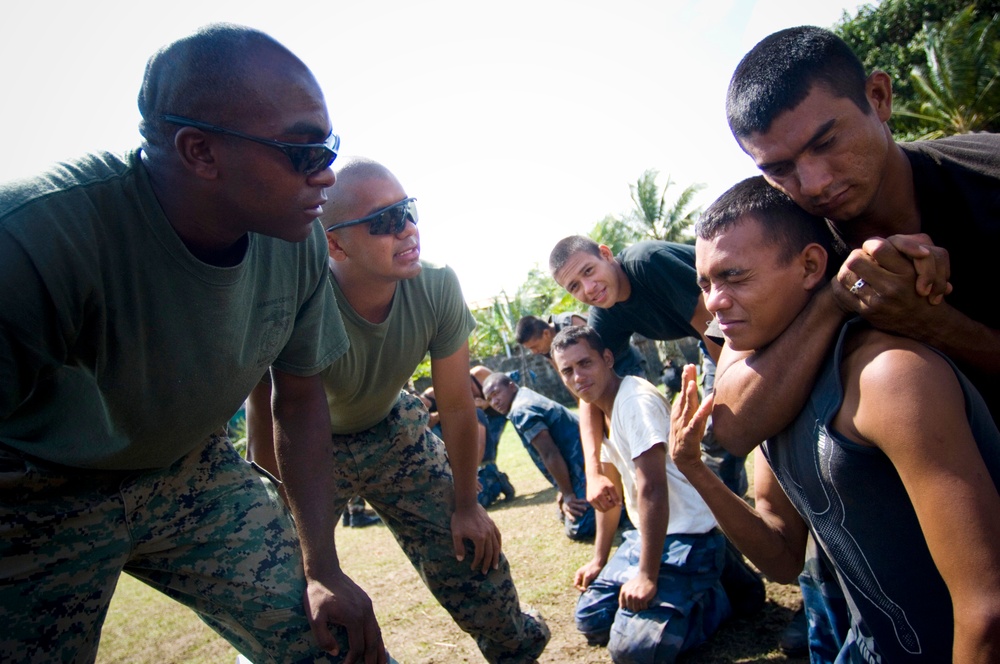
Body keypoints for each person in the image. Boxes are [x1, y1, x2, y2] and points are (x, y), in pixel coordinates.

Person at [0, 23, 368, 663]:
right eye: (304, 152)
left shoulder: (299, 242)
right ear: (200, 152)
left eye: (329, 146)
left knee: (335, 646)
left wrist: (323, 567)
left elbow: (300, 398)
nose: (327, 175)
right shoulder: (37, 240)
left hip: (189, 469)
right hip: (36, 491)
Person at [676, 175, 1000, 663]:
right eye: (706, 283)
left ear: (810, 265)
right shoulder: (775, 396)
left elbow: (988, 610)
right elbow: (784, 558)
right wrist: (696, 471)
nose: (714, 304)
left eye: (735, 276)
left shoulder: (888, 377)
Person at [248, 156, 549, 664]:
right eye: (384, 221)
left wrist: (467, 504)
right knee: (292, 596)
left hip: (394, 430)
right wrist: (285, 527)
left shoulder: (435, 285)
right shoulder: (296, 301)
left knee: (475, 558)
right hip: (310, 447)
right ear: (335, 244)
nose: (407, 229)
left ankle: (516, 647)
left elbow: (455, 403)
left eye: (408, 210)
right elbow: (271, 420)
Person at [714, 24, 1000, 454]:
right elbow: (733, 427)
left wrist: (932, 324)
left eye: (827, 142)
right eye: (779, 169)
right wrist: (839, 298)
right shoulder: (784, 245)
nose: (813, 184)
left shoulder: (989, 177)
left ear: (879, 98)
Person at [549, 235, 764, 618]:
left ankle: (746, 561)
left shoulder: (648, 262)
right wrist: (595, 472)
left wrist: (749, 385)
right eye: (574, 287)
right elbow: (589, 395)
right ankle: (731, 569)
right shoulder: (607, 311)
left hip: (741, 323)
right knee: (718, 453)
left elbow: (713, 324)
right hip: (713, 338)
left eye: (588, 272)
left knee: (730, 433)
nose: (589, 289)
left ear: (605, 253)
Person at [549, 326, 731, 663]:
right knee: (590, 619)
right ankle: (686, 592)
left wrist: (646, 576)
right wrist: (599, 559)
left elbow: (652, 487)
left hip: (689, 539)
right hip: (646, 536)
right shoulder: (602, 405)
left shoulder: (635, 402)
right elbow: (610, 495)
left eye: (585, 363)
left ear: (607, 359)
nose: (578, 376)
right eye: (567, 370)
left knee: (633, 651)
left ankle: (718, 597)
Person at [481, 372, 596, 541]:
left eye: (496, 393)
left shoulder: (521, 410)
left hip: (587, 465)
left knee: (579, 528)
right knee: (564, 514)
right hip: (582, 462)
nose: (494, 402)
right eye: (489, 399)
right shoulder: (524, 396)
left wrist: (569, 494)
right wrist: (562, 490)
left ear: (511, 385)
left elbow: (550, 454)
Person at [514, 312, 588, 367]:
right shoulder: (547, 347)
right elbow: (563, 373)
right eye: (530, 348)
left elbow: (595, 346)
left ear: (546, 334)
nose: (534, 352)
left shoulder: (569, 323)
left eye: (534, 346)